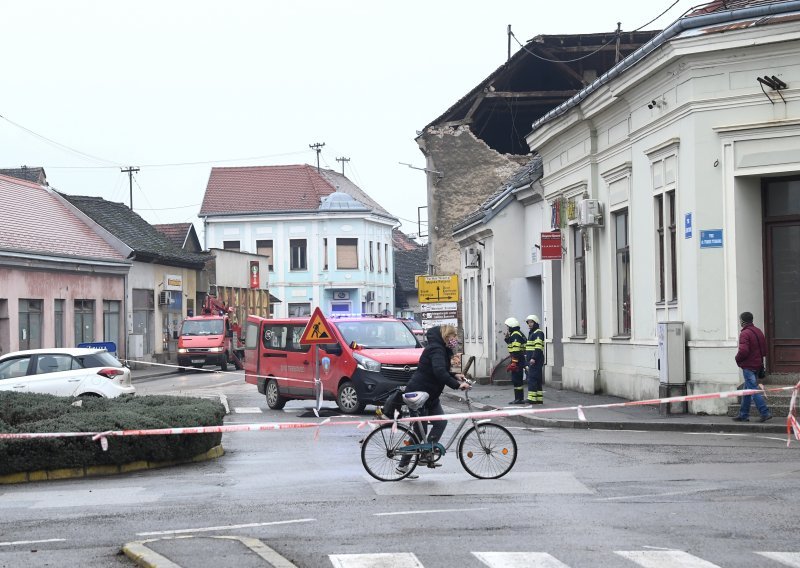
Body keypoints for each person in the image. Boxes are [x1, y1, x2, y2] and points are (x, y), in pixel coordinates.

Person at [396, 324, 470, 478]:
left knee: (440, 422)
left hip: (430, 395)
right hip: (419, 395)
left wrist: (455, 375)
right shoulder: (436, 349)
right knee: (418, 431)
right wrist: (457, 385)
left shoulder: (440, 349)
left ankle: (426, 453)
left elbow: (441, 369)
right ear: (446, 337)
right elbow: (438, 372)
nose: (455, 340)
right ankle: (404, 464)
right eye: (453, 337)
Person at [733, 311, 772, 423]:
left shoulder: (745, 334)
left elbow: (743, 351)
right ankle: (743, 415)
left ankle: (765, 412)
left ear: (743, 321)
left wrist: (737, 358)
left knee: (752, 390)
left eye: (740, 320)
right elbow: (764, 350)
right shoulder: (758, 331)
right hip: (757, 365)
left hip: (749, 366)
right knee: (747, 390)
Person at [504, 317, 527, 404]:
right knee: (516, 379)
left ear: (511, 326)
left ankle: (519, 399)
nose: (507, 329)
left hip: (517, 359)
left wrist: (514, 363)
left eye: (508, 327)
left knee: (517, 379)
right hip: (517, 359)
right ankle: (518, 398)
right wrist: (507, 338)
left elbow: (516, 350)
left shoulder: (516, 334)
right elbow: (512, 344)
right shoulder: (515, 334)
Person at [524, 314, 545, 405]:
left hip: (535, 360)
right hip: (534, 360)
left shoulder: (538, 333)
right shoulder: (532, 333)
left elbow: (538, 347)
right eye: (528, 322)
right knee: (536, 379)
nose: (529, 324)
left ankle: (532, 398)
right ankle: (538, 398)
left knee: (532, 378)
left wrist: (533, 358)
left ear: (536, 323)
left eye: (531, 322)